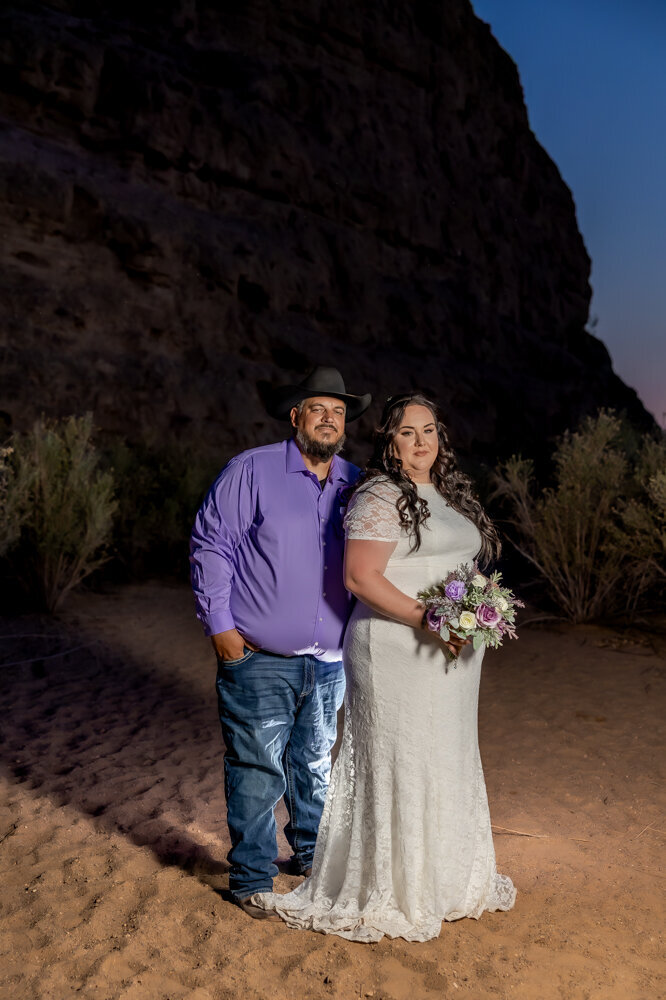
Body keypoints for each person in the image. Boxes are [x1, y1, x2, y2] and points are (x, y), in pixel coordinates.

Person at [251, 392, 516, 940]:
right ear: (390, 442)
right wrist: (433, 621)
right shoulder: (378, 494)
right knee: (402, 755)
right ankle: (394, 884)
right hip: (398, 649)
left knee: (446, 752)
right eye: (407, 432)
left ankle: (440, 877)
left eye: (429, 430)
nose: (421, 442)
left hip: (453, 658)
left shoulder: (444, 492)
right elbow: (361, 579)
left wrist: (471, 615)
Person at [189, 366, 371, 919]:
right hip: (258, 657)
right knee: (256, 766)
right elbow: (211, 545)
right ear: (296, 416)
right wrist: (221, 627)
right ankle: (251, 877)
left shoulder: (357, 483)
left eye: (338, 412)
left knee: (314, 761)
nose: (329, 419)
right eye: (318, 409)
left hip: (331, 660)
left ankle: (311, 856)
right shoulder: (253, 470)